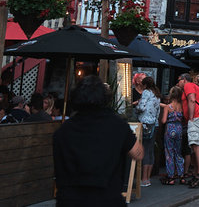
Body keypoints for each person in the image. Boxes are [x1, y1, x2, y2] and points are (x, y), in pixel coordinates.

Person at [53, 76, 142, 206]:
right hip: (107, 199)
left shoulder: (63, 131)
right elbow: (138, 153)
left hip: (70, 200)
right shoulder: (117, 125)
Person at [177, 73, 199, 188]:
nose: (178, 82)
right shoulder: (194, 86)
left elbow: (192, 100)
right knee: (198, 145)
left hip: (196, 117)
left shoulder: (188, 86)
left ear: (184, 80)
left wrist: (190, 117)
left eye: (179, 80)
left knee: (196, 144)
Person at [133, 76, 161, 188]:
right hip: (154, 123)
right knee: (150, 150)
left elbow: (142, 107)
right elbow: (158, 111)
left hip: (145, 123)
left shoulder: (146, 93)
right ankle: (147, 178)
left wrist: (137, 105)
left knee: (144, 149)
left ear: (144, 85)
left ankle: (143, 178)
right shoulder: (157, 94)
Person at [160, 86, 185, 185]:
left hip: (170, 130)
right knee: (178, 152)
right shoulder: (181, 106)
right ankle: (181, 175)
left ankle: (171, 176)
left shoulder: (168, 107)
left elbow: (164, 120)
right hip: (179, 129)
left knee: (169, 153)